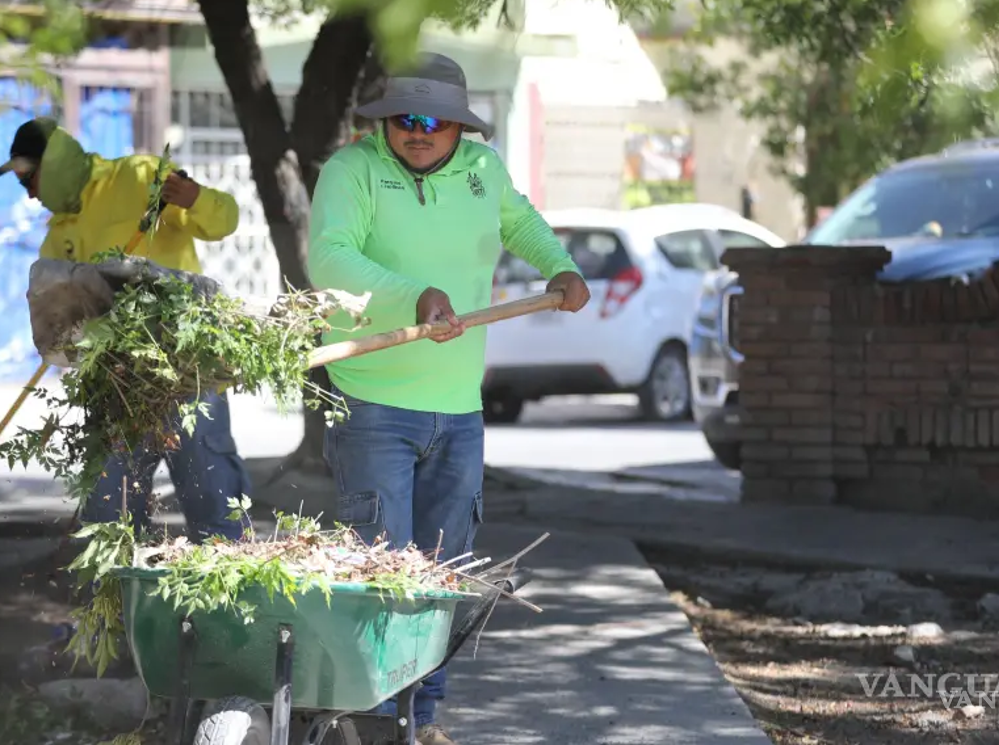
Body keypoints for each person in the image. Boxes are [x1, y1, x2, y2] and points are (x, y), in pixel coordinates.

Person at [308, 53, 590, 745]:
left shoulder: (483, 171)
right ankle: (374, 723)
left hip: (459, 409)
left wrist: (560, 266)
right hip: (371, 406)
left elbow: (518, 223)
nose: (416, 131)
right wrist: (414, 296)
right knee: (381, 571)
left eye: (433, 120)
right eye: (401, 118)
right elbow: (331, 257)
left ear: (463, 126)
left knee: (443, 576)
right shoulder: (351, 172)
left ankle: (421, 720)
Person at [1, 116, 252, 542]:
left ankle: (228, 607)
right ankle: (122, 607)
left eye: (28, 176)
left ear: (55, 162)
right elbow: (60, 312)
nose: (28, 192)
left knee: (216, 510)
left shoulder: (139, 178)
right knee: (108, 520)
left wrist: (194, 198)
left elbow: (223, 222)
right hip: (117, 386)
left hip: (186, 371)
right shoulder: (57, 234)